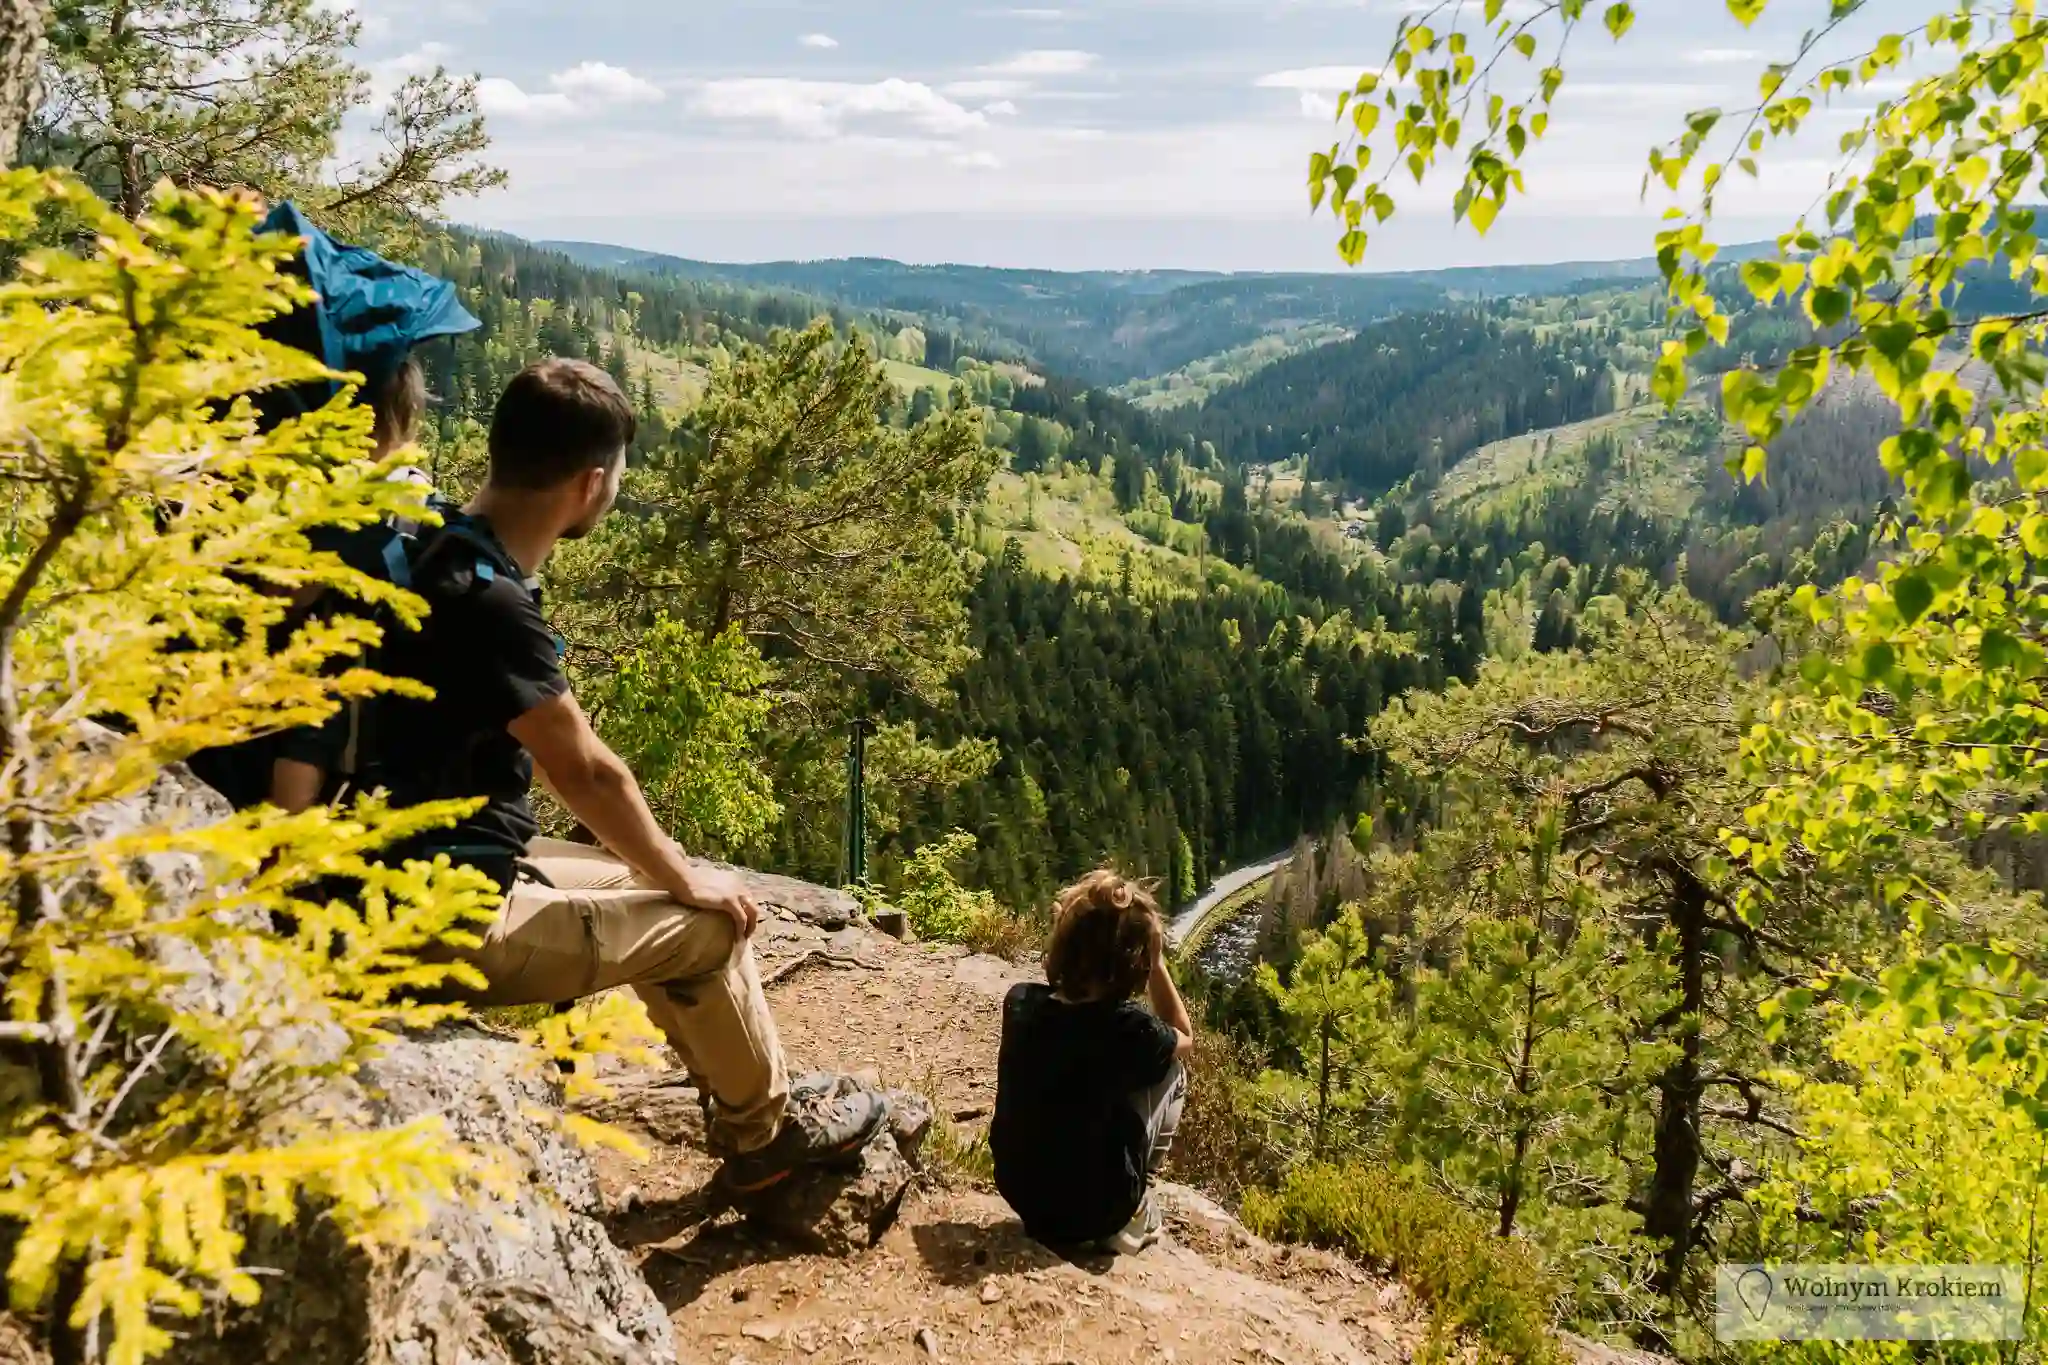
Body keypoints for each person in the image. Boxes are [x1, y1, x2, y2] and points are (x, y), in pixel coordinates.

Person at [350, 356, 887, 1192]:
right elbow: (588, 772)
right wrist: (686, 877)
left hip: (420, 870)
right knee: (707, 923)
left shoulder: (439, 547)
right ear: (591, 484)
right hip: (451, 919)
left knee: (650, 880)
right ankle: (763, 1142)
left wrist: (665, 868)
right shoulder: (490, 601)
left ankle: (743, 1092)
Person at [990, 870, 1195, 1254]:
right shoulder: (1129, 1029)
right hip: (1097, 1212)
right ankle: (1137, 1199)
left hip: (1022, 1195)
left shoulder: (1020, 1003)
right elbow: (1184, 1035)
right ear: (1133, 961)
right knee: (1172, 1068)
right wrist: (1159, 963)